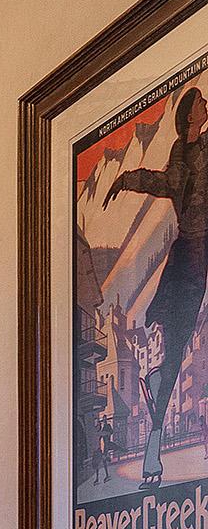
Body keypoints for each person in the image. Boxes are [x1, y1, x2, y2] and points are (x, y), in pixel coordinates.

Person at [115, 84, 208, 486]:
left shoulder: (204, 148)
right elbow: (161, 182)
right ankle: (156, 396)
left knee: (175, 347)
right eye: (200, 102)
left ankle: (152, 452)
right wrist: (128, 178)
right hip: (187, 255)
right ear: (189, 116)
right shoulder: (181, 155)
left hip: (196, 256)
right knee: (171, 336)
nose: (206, 105)